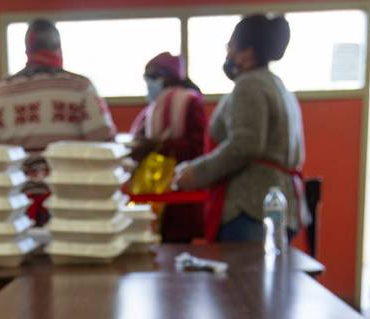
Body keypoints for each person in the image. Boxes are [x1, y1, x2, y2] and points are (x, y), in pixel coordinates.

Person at [173, 14, 306, 244]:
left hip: (249, 206)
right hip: (278, 202)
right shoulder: (277, 85)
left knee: (242, 279)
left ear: (248, 53)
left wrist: (195, 173)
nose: (228, 55)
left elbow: (245, 145)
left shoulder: (249, 85)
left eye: (231, 47)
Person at [0, 19, 116, 224]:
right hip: (73, 207)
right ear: (58, 47)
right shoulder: (80, 88)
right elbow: (105, 149)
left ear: (27, 50)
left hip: (12, 209)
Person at [129, 52, 206, 242]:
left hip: (179, 193)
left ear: (170, 76)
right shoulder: (151, 110)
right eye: (147, 77)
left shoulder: (189, 102)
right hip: (150, 191)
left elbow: (198, 146)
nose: (149, 82)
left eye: (154, 77)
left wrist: (159, 146)